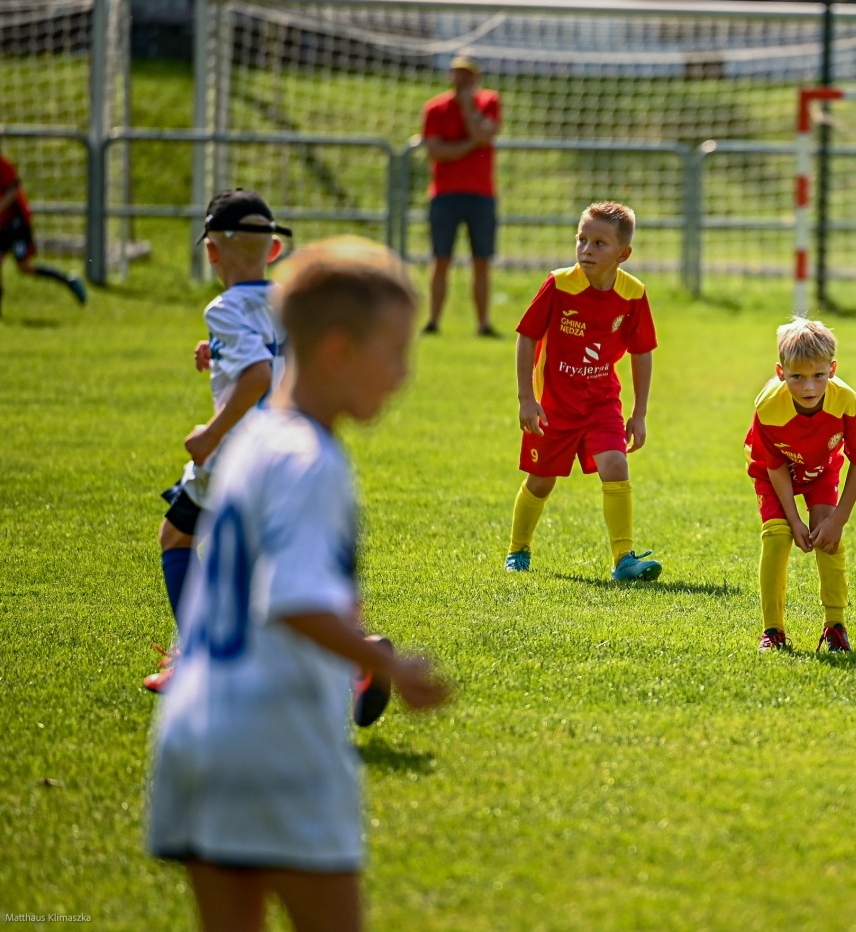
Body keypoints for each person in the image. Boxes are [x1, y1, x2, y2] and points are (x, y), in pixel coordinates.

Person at [145, 236, 451, 932]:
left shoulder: (249, 443)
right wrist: (388, 664)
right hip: (274, 742)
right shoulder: (313, 461)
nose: (403, 375)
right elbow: (293, 598)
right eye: (395, 353)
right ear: (339, 350)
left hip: (195, 730)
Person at [146, 190, 290, 695]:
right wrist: (220, 351)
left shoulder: (224, 307)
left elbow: (256, 374)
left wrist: (211, 433)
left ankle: (197, 657)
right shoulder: (287, 300)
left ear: (211, 251)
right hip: (287, 445)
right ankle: (356, 657)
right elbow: (275, 357)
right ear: (274, 249)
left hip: (237, 449)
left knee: (176, 537)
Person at [505, 201, 663, 582]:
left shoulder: (633, 294)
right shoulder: (559, 284)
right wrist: (527, 398)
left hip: (601, 403)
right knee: (541, 481)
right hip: (554, 406)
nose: (586, 250)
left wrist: (639, 413)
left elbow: (642, 351)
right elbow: (527, 336)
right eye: (582, 240)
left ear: (623, 254)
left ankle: (624, 559)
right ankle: (518, 549)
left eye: (599, 243)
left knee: (616, 465)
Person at [745, 317, 856, 653]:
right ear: (780, 372)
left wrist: (838, 520)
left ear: (832, 369)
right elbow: (774, 465)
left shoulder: (846, 401)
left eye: (818, 375)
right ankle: (773, 632)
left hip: (820, 469)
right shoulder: (768, 406)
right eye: (797, 377)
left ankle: (835, 627)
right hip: (773, 472)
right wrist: (793, 519)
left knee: (828, 538)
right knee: (777, 536)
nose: (809, 387)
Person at [420, 54, 501, 336]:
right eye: (458, 73)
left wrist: (469, 111)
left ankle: (483, 323)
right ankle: (433, 321)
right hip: (445, 194)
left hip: (481, 195)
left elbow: (485, 135)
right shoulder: (435, 108)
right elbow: (435, 151)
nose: (462, 80)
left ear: (476, 77)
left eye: (467, 74)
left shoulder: (489, 102)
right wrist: (471, 144)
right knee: (441, 258)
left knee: (482, 261)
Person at [0, 144, 88, 316]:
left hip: (16, 224)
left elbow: (14, 191)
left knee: (25, 267)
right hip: (2, 225)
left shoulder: (4, 165)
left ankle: (68, 280)